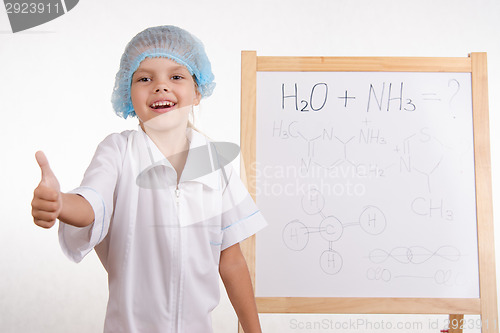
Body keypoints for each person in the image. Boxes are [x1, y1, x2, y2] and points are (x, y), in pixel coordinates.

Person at [31, 25, 267, 333]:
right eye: (145, 78)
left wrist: (254, 330)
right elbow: (91, 203)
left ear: (197, 92)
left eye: (176, 76)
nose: (160, 87)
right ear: (128, 94)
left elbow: (231, 259)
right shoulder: (118, 151)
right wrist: (60, 203)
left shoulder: (214, 164)